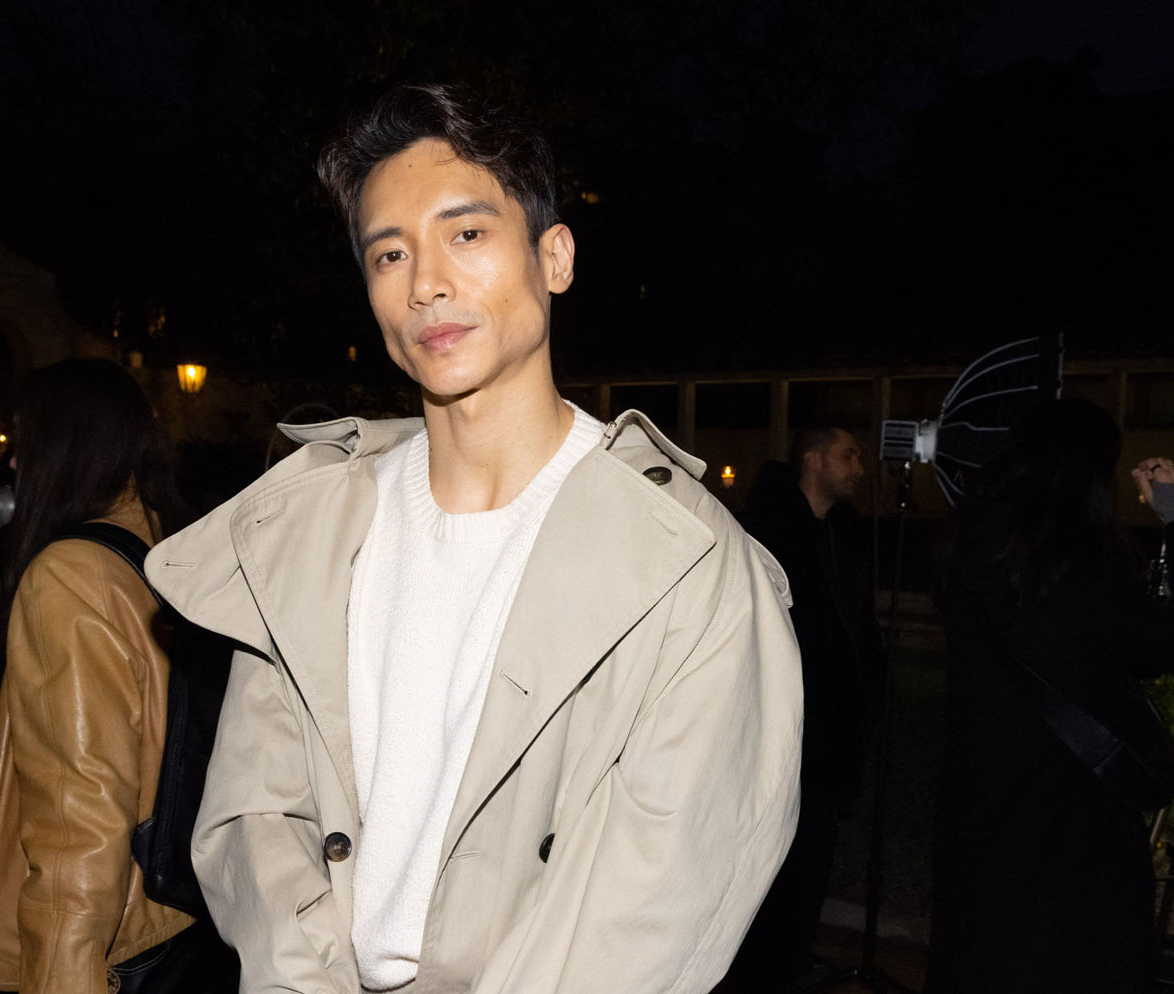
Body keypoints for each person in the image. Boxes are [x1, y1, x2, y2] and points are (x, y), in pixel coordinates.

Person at [145, 82, 804, 994]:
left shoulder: (689, 567)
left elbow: (651, 910)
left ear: (554, 257)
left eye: (466, 233)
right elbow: (254, 820)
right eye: (389, 253)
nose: (426, 283)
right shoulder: (302, 532)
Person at [0, 358, 229, 994]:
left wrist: (62, 975)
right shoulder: (172, 558)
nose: (13, 461)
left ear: (62, 448)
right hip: (181, 923)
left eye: (23, 440)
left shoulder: (69, 577)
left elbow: (80, 817)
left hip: (109, 953)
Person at [926, 398, 1174, 994]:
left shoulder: (963, 545)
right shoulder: (1086, 567)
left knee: (983, 954)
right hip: (1075, 816)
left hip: (981, 804)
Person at [723, 427, 882, 992]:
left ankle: (791, 954)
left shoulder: (843, 534)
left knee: (813, 850)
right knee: (769, 852)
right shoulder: (768, 531)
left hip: (828, 729)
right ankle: (754, 966)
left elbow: (855, 627)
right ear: (812, 460)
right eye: (847, 455)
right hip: (779, 722)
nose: (859, 468)